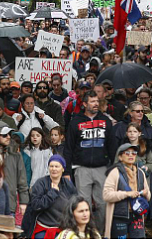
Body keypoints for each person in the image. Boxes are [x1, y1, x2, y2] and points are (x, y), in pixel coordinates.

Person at [63, 91, 116, 234]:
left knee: (103, 204)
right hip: (82, 169)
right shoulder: (75, 122)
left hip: (102, 168)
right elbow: (68, 148)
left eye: (97, 101)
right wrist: (67, 172)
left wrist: (115, 168)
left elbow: (112, 147)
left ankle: (97, 233)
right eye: (92, 101)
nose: (96, 104)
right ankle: (84, 234)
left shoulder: (105, 121)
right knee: (83, 205)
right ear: (85, 104)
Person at [103, 143, 151, 239]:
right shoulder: (114, 172)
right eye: (127, 153)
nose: (131, 155)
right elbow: (106, 195)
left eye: (133, 153)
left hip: (137, 214)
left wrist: (146, 193)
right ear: (120, 157)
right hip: (119, 216)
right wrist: (126, 194)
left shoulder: (140, 173)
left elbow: (148, 196)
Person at [21, 155, 78, 238]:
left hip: (63, 228)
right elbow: (36, 205)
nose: (54, 169)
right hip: (43, 228)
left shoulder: (68, 185)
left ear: (63, 169)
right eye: (51, 166)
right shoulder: (41, 183)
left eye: (57, 166)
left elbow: (76, 204)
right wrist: (52, 193)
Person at [0, 124, 29, 216]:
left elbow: (22, 179)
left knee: (8, 229)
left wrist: (24, 201)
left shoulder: (16, 154)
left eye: (9, 134)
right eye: (4, 135)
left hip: (10, 203)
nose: (8, 137)